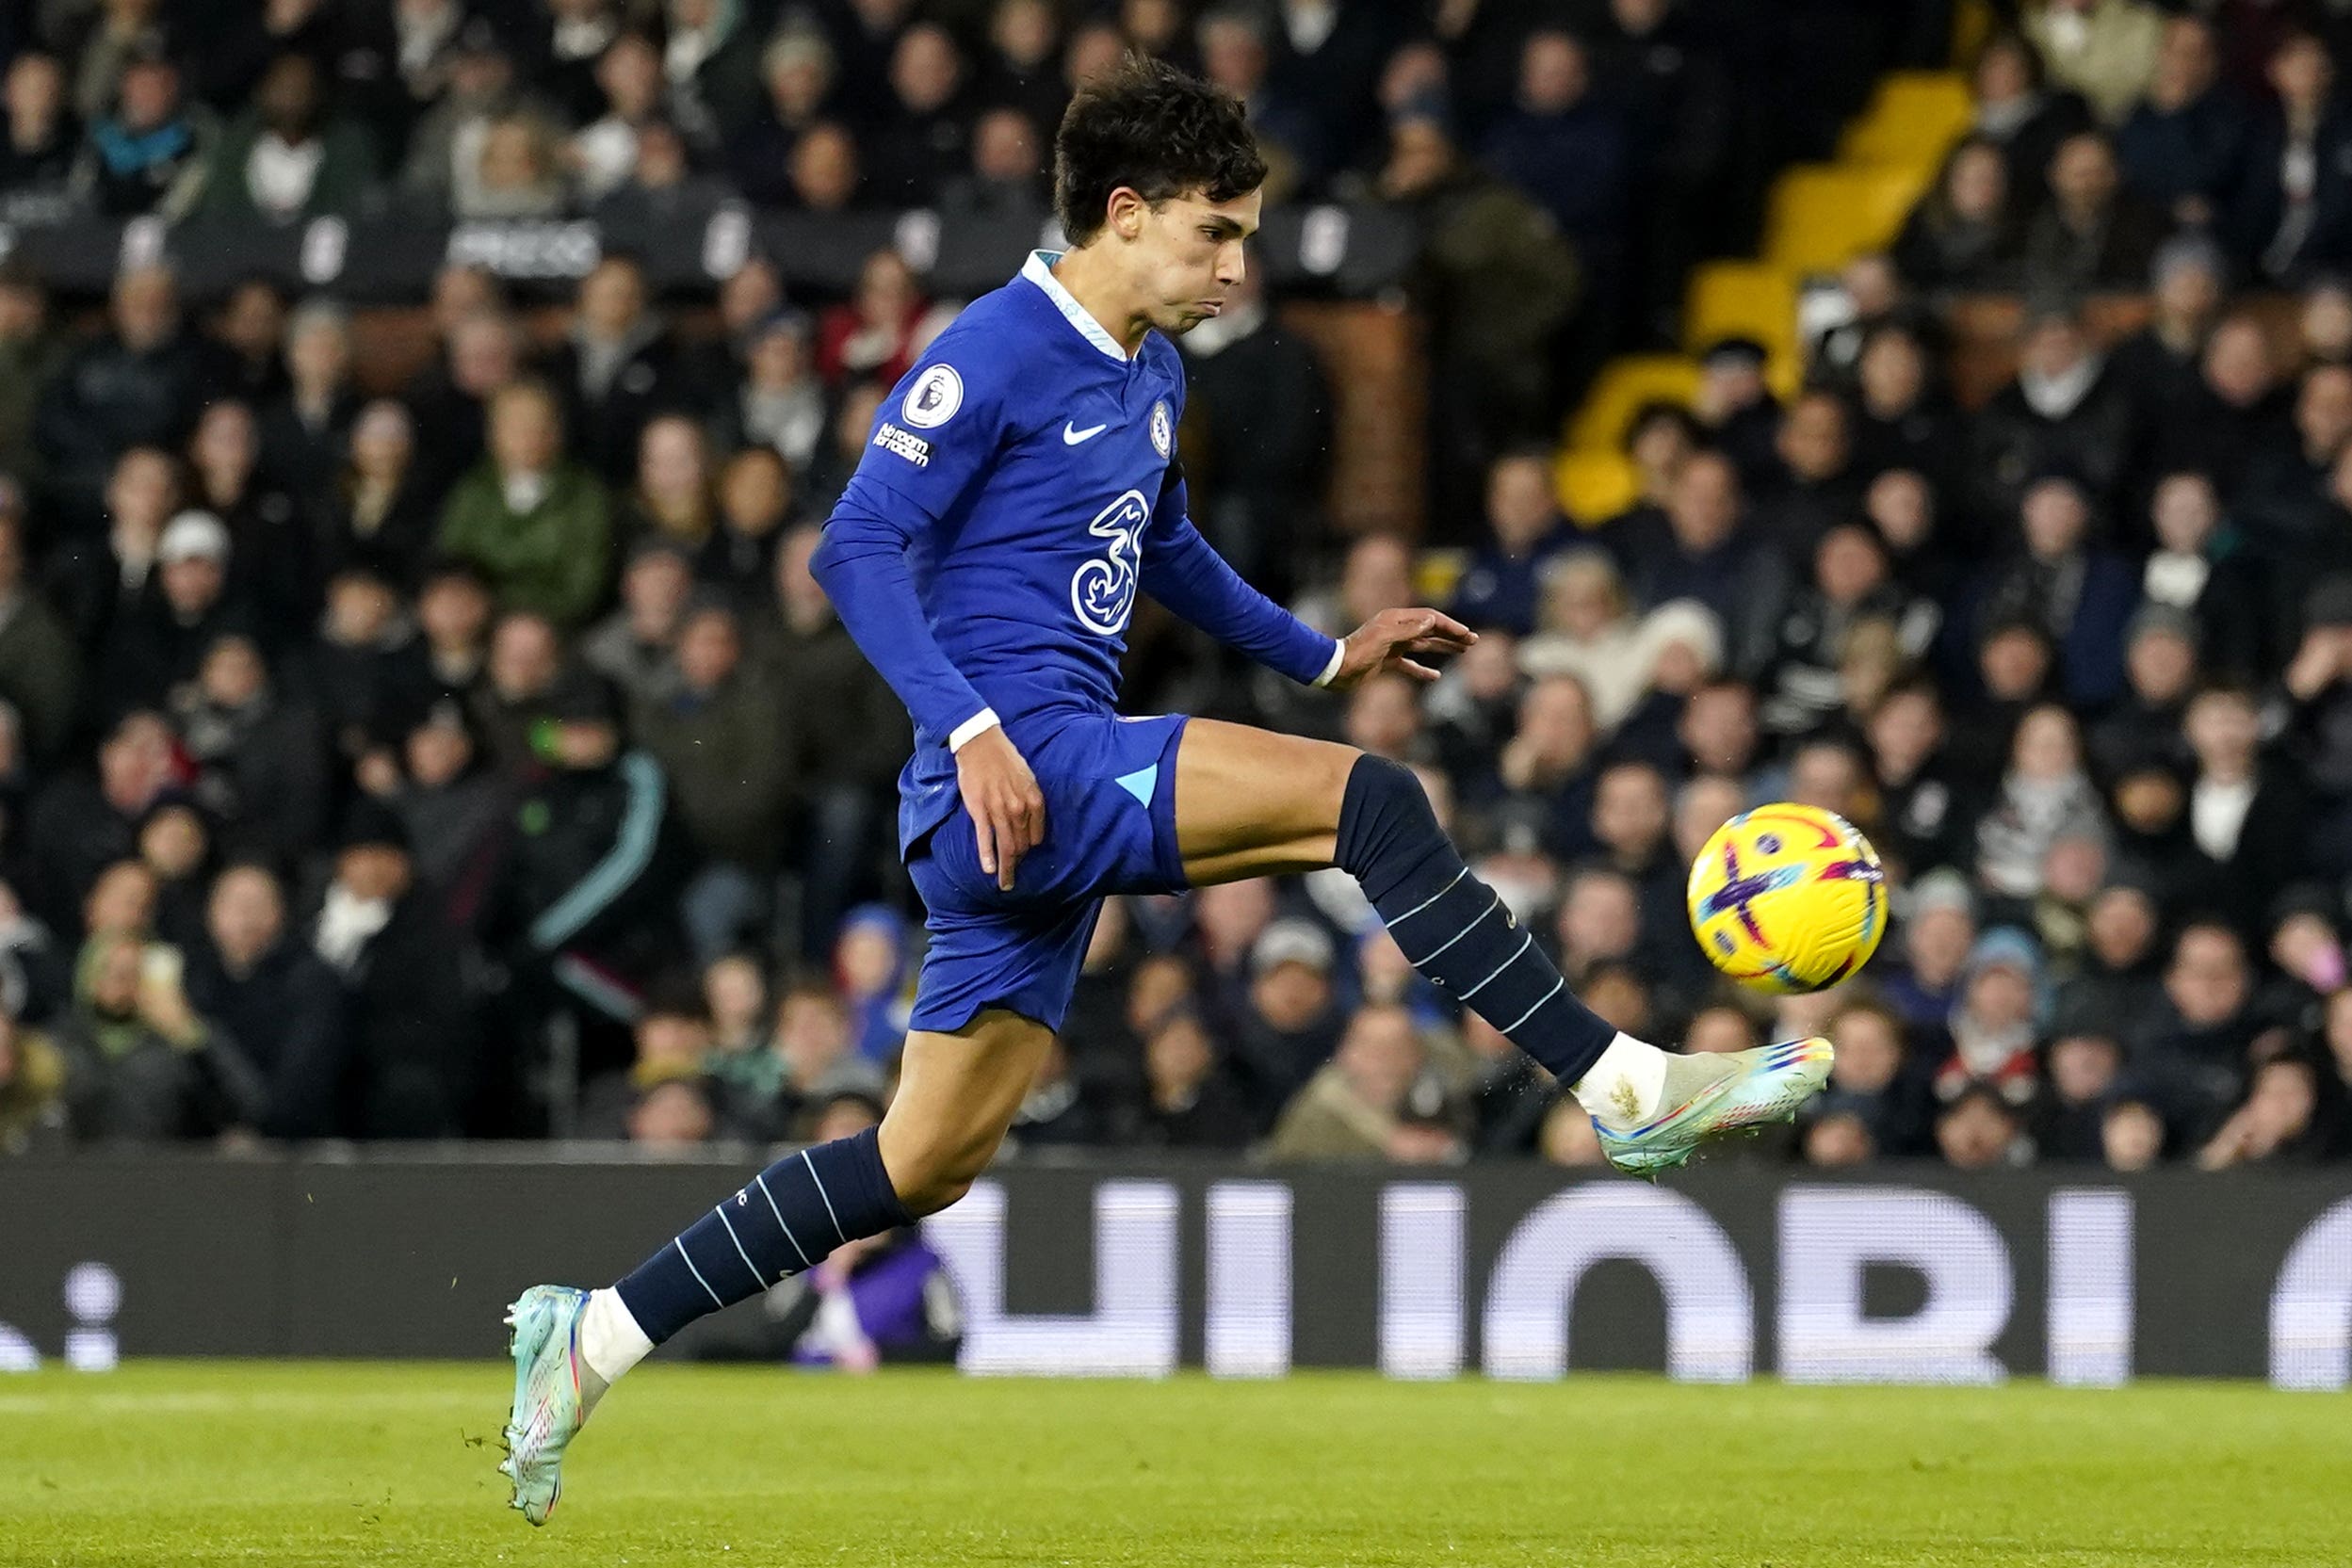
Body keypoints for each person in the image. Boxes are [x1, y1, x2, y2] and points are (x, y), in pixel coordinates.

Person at [495, 60, 1833, 1522]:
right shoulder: (994, 347)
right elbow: (854, 548)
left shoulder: (1151, 367)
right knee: (1371, 804)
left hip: (1036, 793)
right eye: (1215, 233)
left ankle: (596, 1332)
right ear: (1124, 215)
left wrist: (1321, 650)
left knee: (919, 1160)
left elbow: (1167, 547)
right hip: (1017, 767)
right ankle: (1621, 1084)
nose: (1237, 266)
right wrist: (973, 728)